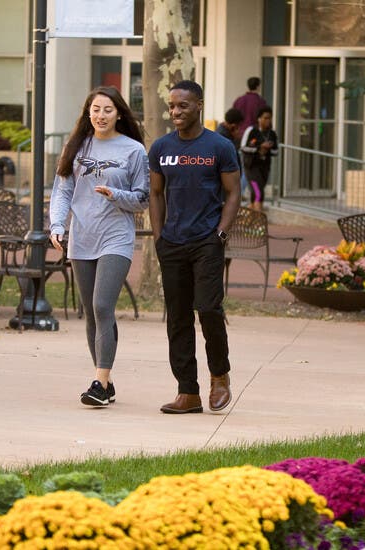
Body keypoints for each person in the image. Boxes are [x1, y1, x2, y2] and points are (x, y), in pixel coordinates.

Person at [48, 86, 149, 408]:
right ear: (87, 113)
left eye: (107, 110)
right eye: (95, 109)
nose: (101, 115)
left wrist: (116, 195)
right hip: (82, 238)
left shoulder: (134, 150)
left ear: (119, 113)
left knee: (103, 305)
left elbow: (143, 199)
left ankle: (99, 384)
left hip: (115, 237)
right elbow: (63, 191)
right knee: (92, 313)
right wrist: (57, 225)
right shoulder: (76, 147)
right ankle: (105, 382)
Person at [148, 80, 242, 414]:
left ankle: (219, 375)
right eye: (172, 106)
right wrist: (159, 237)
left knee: (208, 308)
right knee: (177, 318)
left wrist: (220, 234)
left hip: (206, 241)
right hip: (172, 243)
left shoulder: (219, 146)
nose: (175, 111)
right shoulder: (161, 148)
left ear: (198, 105)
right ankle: (187, 392)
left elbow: (233, 192)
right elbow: (155, 193)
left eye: (183, 105)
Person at [238, 106, 279, 212]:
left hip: (264, 167)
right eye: (265, 118)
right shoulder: (251, 130)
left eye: (270, 118)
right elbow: (243, 147)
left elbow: (276, 151)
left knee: (256, 191)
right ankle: (258, 214)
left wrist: (268, 149)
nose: (268, 121)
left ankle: (249, 213)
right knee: (258, 192)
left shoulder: (272, 134)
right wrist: (259, 148)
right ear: (259, 119)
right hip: (251, 167)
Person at [230, 77, 269, 142]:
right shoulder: (261, 102)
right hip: (254, 136)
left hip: (239, 134)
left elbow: (232, 118)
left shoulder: (239, 100)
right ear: (258, 86)